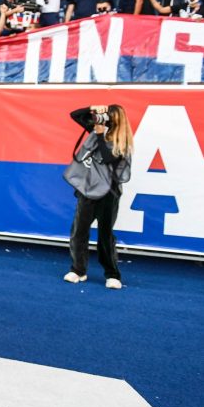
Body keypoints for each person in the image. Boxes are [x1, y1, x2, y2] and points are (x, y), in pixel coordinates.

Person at [65, 105, 133, 290]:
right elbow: (75, 114)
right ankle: (78, 270)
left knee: (105, 235)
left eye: (108, 116)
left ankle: (112, 274)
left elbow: (108, 158)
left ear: (116, 120)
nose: (103, 119)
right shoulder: (97, 131)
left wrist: (101, 135)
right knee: (79, 231)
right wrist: (92, 108)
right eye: (103, 116)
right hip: (88, 190)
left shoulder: (121, 141)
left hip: (108, 194)